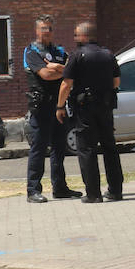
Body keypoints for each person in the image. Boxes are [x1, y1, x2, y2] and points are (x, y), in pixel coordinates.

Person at [56, 21, 123, 203]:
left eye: (76, 35)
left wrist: (60, 107)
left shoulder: (77, 56)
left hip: (85, 108)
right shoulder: (109, 54)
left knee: (87, 149)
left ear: (84, 36)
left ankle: (93, 194)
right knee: (110, 148)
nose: (75, 38)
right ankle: (116, 191)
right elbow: (116, 82)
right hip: (106, 107)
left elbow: (66, 84)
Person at [23, 15, 80, 203]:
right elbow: (46, 74)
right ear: (36, 31)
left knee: (59, 148)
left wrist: (58, 67)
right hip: (41, 107)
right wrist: (61, 71)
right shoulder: (31, 51)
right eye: (43, 28)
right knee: (39, 148)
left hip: (59, 106)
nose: (47, 32)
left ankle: (60, 188)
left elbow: (74, 72)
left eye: (50, 28)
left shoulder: (59, 51)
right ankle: (33, 190)